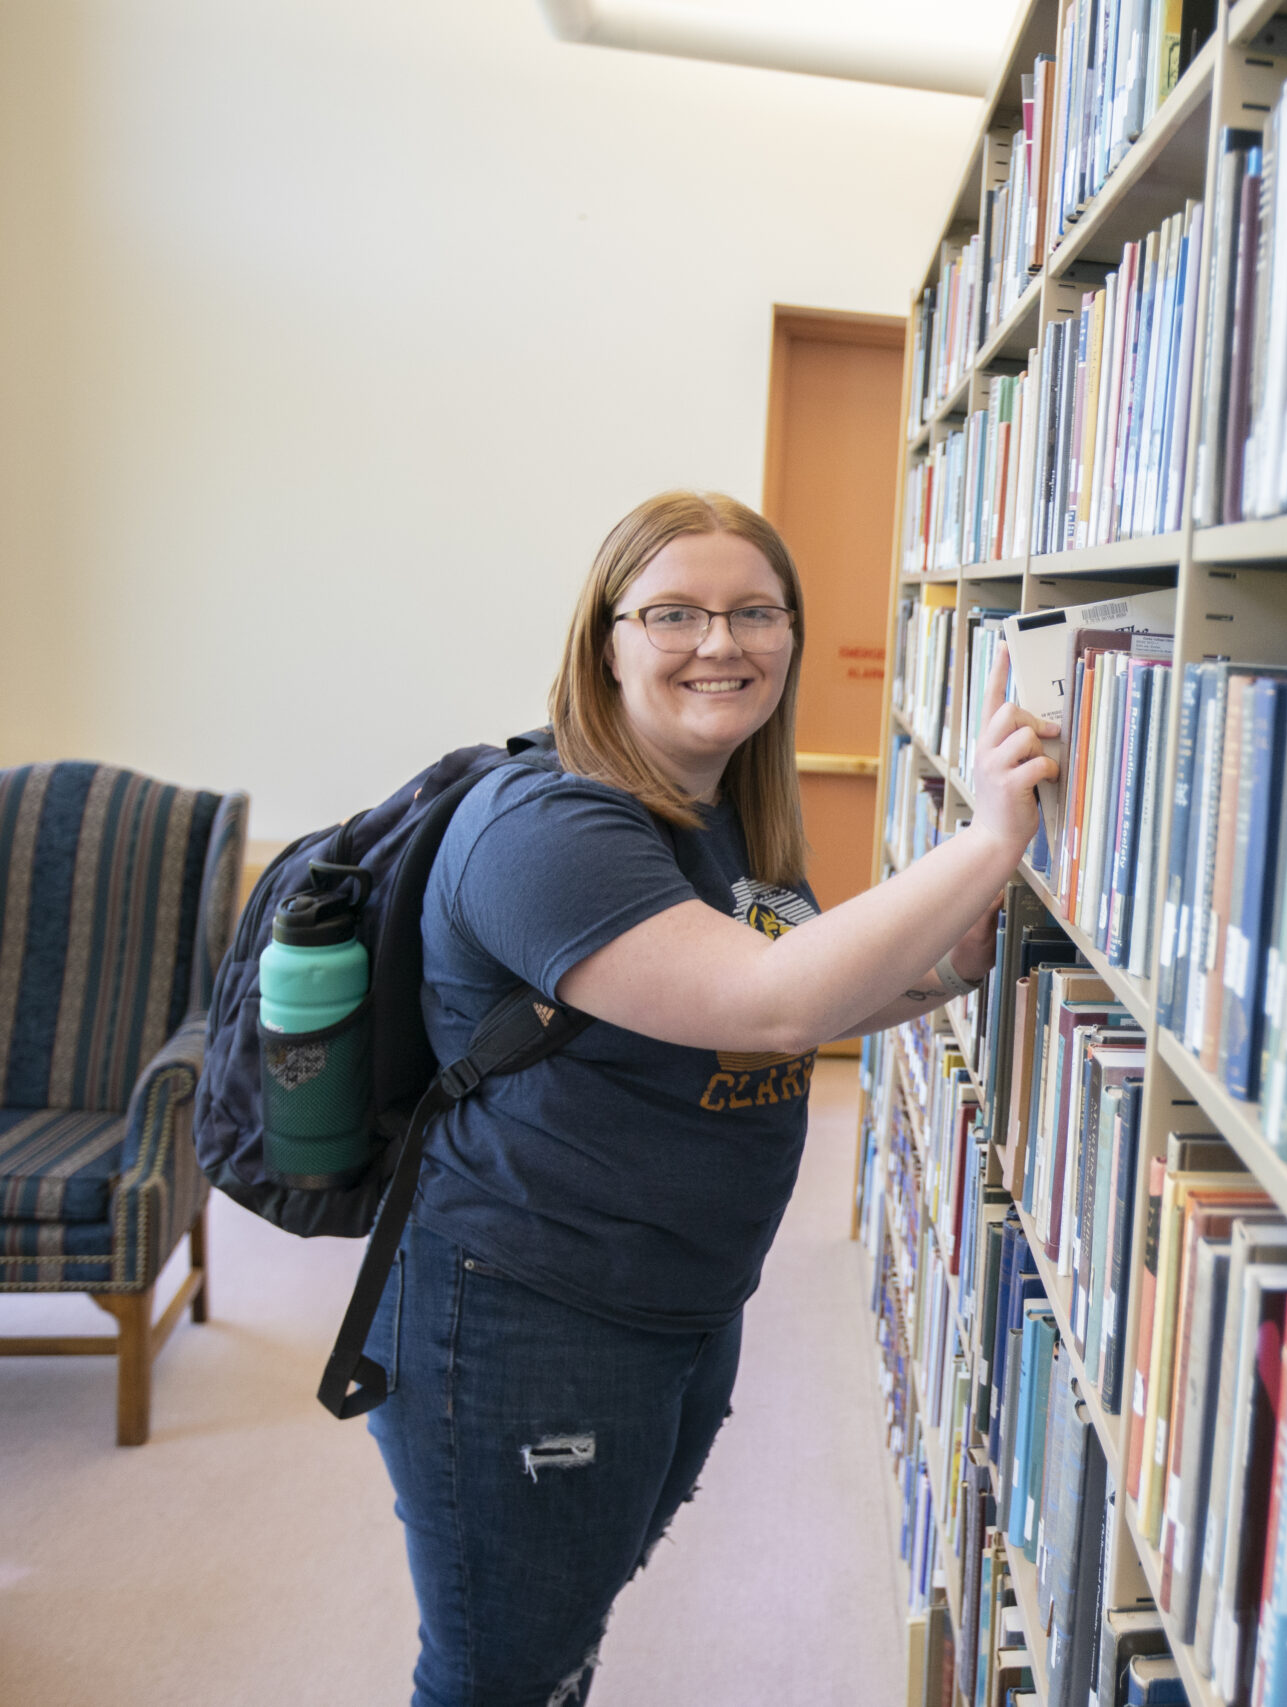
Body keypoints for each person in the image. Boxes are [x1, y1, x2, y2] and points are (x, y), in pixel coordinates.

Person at [362, 490, 1052, 1707]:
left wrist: (940, 967)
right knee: (498, 1670)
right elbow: (769, 1006)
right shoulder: (543, 825)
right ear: (605, 639)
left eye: (754, 612)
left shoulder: (723, 813)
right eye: (674, 612)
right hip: (529, 1307)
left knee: (566, 1619)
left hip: (675, 1297)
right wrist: (985, 842)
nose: (720, 642)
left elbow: (789, 996)